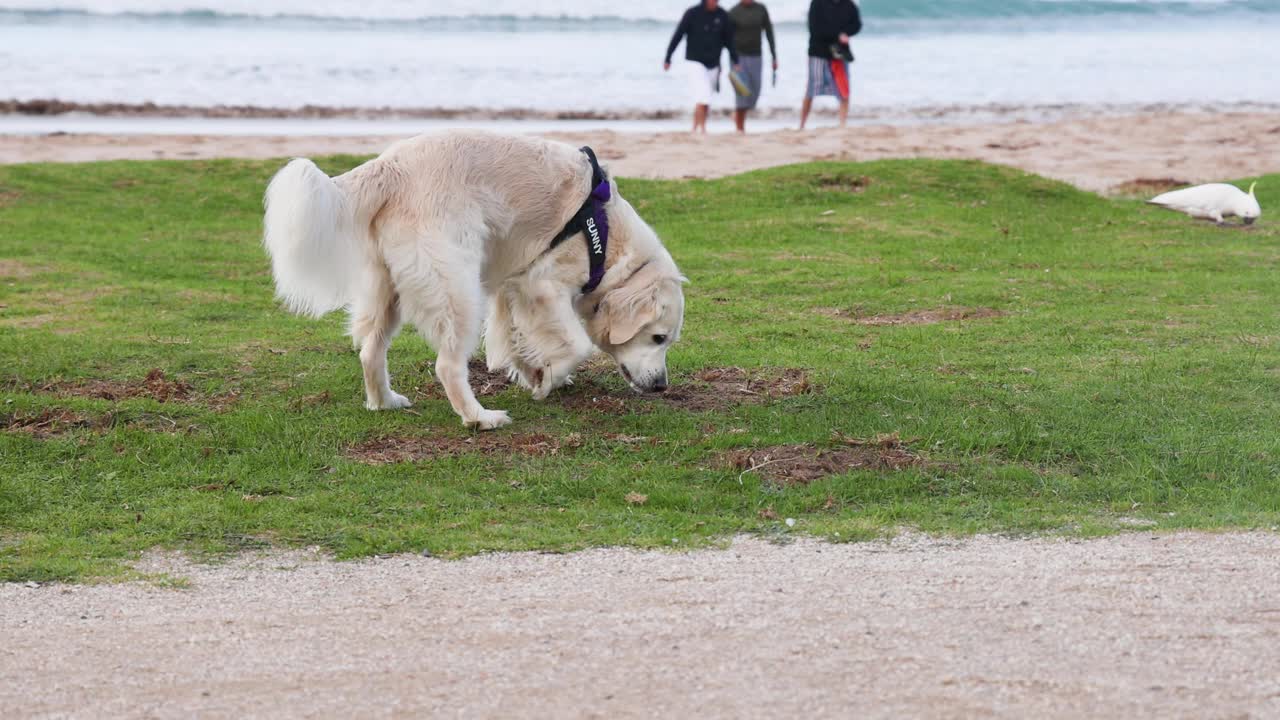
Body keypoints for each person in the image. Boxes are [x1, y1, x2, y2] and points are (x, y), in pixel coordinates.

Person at [664, 0, 741, 134]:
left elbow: (729, 40)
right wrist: (668, 57)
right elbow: (678, 35)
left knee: (706, 98)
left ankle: (695, 127)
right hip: (695, 61)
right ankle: (702, 128)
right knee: (703, 94)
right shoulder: (692, 13)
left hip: (714, 62)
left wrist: (736, 60)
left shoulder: (722, 15)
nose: (714, 2)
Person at [800, 0, 861, 130]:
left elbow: (857, 25)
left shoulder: (849, 5)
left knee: (844, 89)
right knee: (811, 89)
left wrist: (846, 33)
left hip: (839, 54)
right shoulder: (817, 3)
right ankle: (802, 124)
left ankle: (842, 124)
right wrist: (837, 35)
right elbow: (813, 27)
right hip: (818, 52)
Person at [728, 0, 778, 134]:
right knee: (742, 92)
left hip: (756, 56)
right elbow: (726, 37)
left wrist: (774, 56)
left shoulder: (761, 9)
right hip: (738, 58)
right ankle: (740, 128)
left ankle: (737, 116)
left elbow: (769, 33)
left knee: (755, 91)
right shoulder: (733, 12)